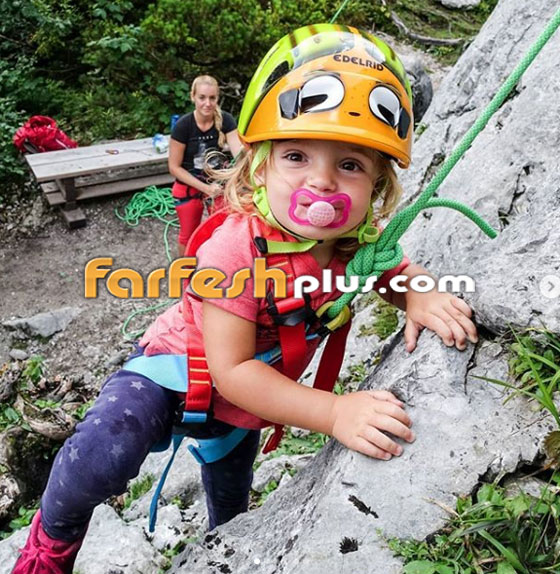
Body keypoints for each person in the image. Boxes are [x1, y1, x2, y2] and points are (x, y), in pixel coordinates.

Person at [12, 24, 479, 574]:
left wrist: (419, 296)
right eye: (297, 156)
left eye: (350, 165)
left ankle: (218, 553)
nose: (322, 182)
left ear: (376, 185)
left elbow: (392, 271)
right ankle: (51, 542)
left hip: (243, 408)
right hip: (173, 376)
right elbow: (231, 370)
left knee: (232, 504)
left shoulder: (355, 242)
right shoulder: (235, 249)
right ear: (260, 163)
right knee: (101, 456)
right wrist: (334, 412)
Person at [169, 74, 242, 256]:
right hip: (189, 184)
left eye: (212, 98)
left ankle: (217, 265)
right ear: (193, 97)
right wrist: (205, 188)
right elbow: (174, 167)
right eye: (202, 98)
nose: (207, 104)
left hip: (217, 183)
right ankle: (185, 270)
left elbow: (240, 154)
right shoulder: (183, 125)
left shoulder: (226, 120)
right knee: (188, 235)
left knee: (222, 232)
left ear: (217, 98)